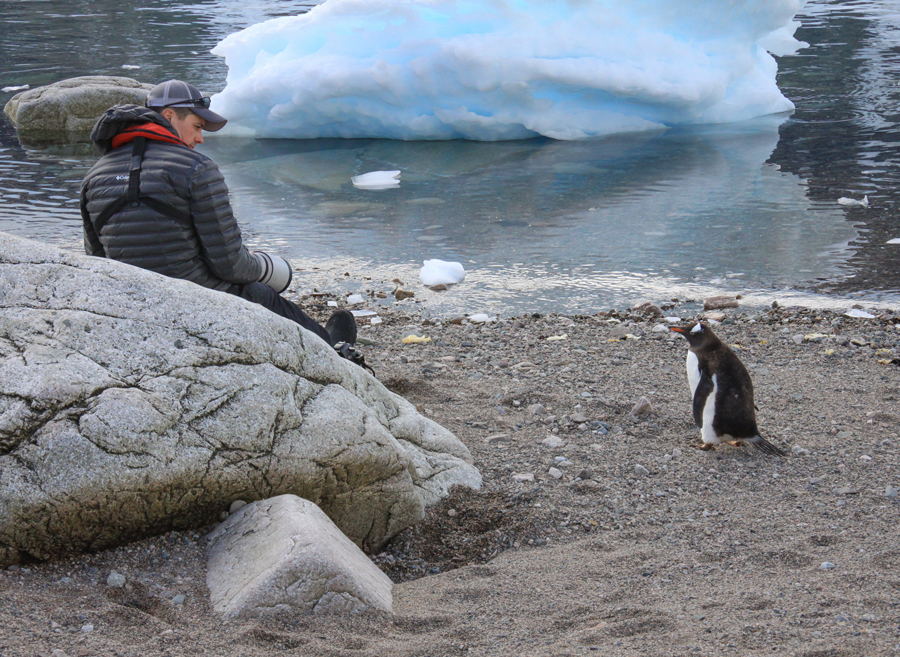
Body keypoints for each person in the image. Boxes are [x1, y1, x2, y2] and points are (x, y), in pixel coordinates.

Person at [80, 79, 368, 370]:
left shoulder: (94, 175)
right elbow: (229, 265)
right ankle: (335, 354)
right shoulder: (196, 168)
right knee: (259, 292)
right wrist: (266, 268)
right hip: (194, 299)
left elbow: (98, 262)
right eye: (197, 126)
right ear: (169, 117)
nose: (200, 138)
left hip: (132, 303)